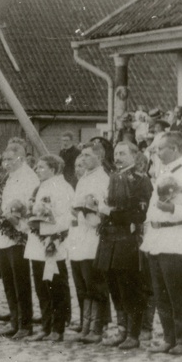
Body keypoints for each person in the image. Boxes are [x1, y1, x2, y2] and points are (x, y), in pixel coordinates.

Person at [142, 131, 182, 355]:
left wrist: (174, 210)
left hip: (175, 237)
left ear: (176, 149)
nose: (156, 152)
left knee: (177, 291)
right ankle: (169, 336)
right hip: (157, 237)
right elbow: (152, 206)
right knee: (160, 292)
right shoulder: (162, 173)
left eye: (161, 149)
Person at [96, 141, 153, 349]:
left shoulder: (140, 180)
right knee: (114, 287)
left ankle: (134, 334)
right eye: (116, 153)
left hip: (127, 241)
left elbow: (139, 214)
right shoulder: (113, 177)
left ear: (134, 156)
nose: (118, 157)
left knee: (129, 288)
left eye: (122, 153)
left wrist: (110, 212)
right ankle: (122, 330)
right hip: (109, 239)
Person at [24, 155, 74, 342]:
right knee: (41, 287)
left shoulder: (62, 188)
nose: (37, 170)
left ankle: (57, 328)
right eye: (37, 167)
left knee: (55, 287)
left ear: (54, 169)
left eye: (42, 167)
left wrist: (50, 232)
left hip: (53, 243)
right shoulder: (40, 187)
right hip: (38, 243)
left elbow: (66, 217)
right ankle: (46, 325)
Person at [0, 142, 38, 338]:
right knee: (8, 281)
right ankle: (14, 320)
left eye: (10, 159)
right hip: (5, 234)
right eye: (4, 160)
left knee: (20, 282)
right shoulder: (8, 177)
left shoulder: (29, 177)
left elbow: (31, 205)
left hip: (20, 234)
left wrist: (17, 217)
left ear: (20, 157)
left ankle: (25, 324)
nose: (5, 163)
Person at [70, 152, 111, 344]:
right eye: (82, 155)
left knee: (95, 283)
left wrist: (89, 210)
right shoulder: (83, 179)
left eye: (88, 155)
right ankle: (86, 325)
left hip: (94, 236)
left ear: (99, 157)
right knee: (83, 285)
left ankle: (97, 326)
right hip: (79, 236)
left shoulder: (103, 179)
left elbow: (102, 209)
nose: (84, 159)